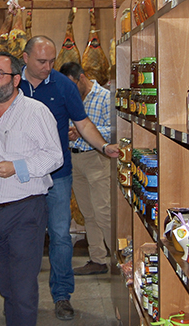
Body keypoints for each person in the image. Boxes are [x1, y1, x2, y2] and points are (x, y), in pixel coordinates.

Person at [18, 35, 119, 320]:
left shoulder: (63, 85)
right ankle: (21, 297)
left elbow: (83, 123)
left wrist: (103, 147)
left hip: (58, 175)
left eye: (51, 61)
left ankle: (62, 295)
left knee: (61, 236)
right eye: (41, 61)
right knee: (25, 237)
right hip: (22, 174)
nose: (47, 67)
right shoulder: (13, 84)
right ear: (25, 58)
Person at [0, 51, 63, 326]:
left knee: (22, 289)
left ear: (16, 79)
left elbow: (54, 156)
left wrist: (17, 167)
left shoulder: (35, 112)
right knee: (6, 286)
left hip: (26, 210)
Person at [59, 62, 112, 275]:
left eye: (72, 85)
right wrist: (71, 133)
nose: (70, 90)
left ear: (82, 77)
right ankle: (97, 259)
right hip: (75, 158)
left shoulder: (105, 97)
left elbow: (114, 130)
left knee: (103, 212)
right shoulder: (70, 98)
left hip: (97, 158)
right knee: (88, 213)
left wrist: (83, 131)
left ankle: (120, 260)